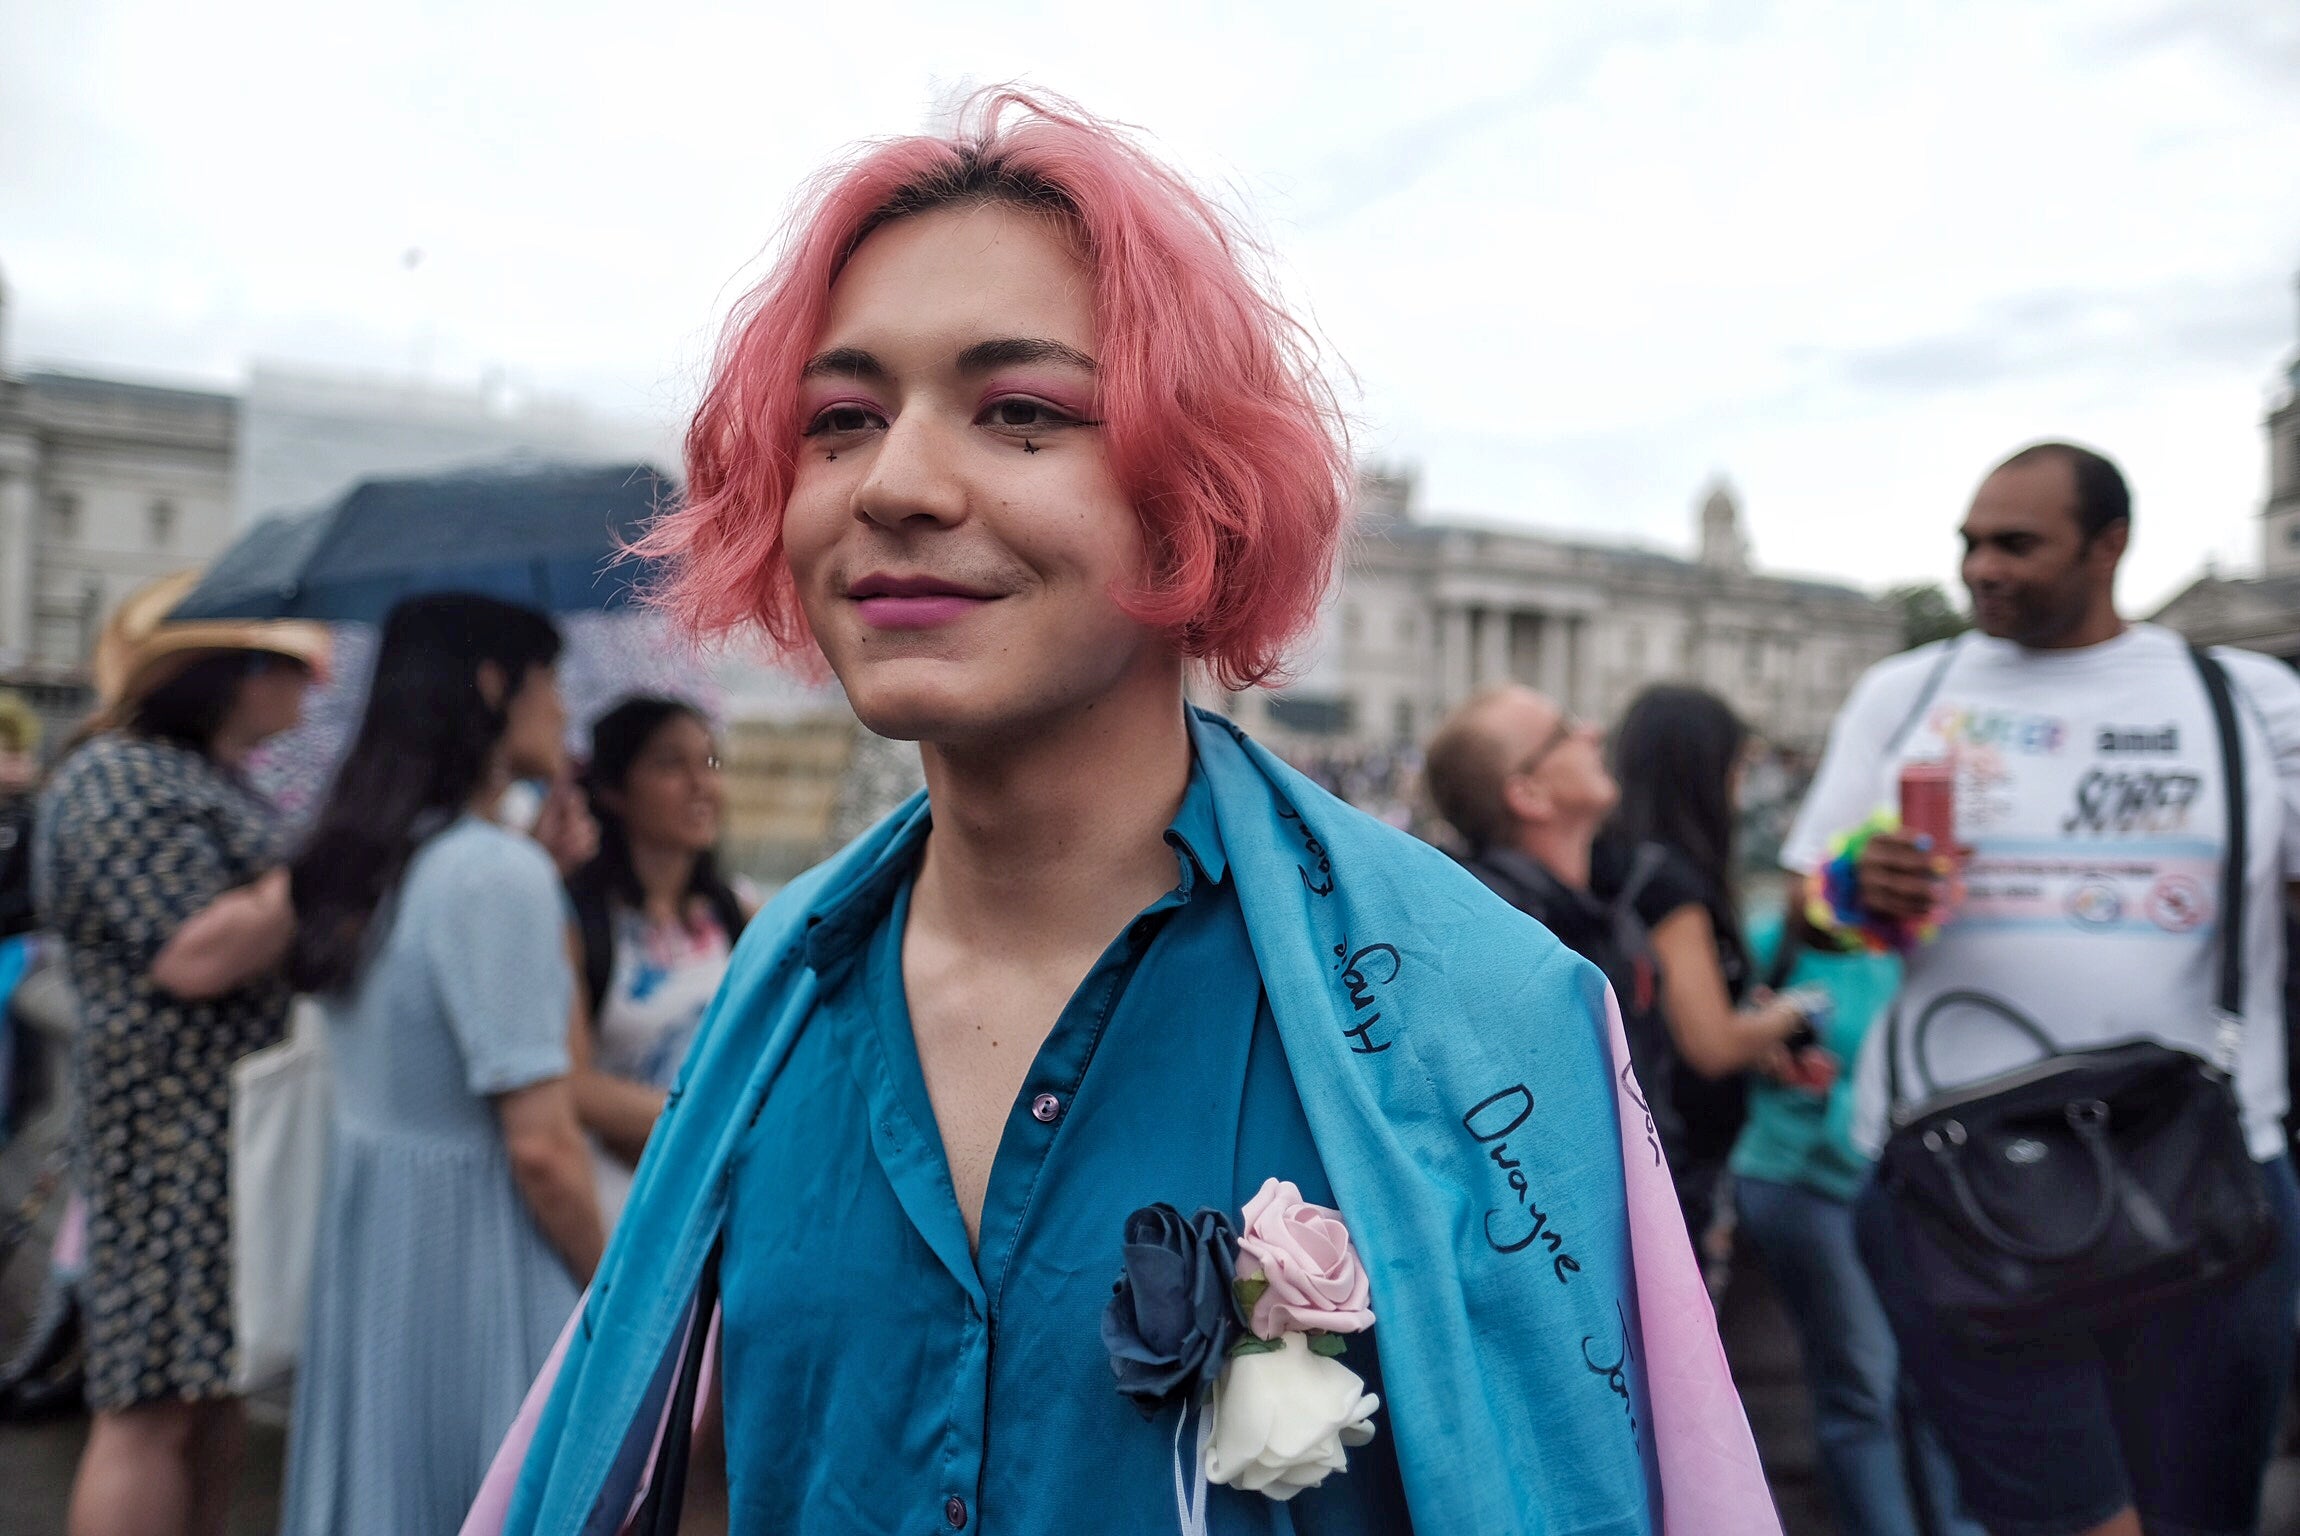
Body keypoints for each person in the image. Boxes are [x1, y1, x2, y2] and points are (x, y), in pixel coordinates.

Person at [480, 92, 1775, 1536]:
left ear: (1191, 490)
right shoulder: (772, 997)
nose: (895, 483)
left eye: (1021, 411)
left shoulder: (1489, 1011)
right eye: (839, 421)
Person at [1784, 441, 2300, 1536]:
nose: (1981, 568)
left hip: (2200, 1175)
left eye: (2015, 544)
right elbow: (1808, 918)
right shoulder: (1907, 691)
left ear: (2107, 545)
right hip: (1959, 1186)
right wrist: (1851, 888)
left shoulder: (2245, 700)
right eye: (1968, 544)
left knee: (2200, 1510)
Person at [280, 594, 602, 1536]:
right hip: (481, 1255)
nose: (565, 711)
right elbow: (543, 1148)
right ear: (495, 684)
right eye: (552, 684)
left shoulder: (377, 856)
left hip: (385, 1252)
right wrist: (628, 1299)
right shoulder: (492, 875)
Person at [33, 571, 327, 1536]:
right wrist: (331, 861)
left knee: (204, 1395)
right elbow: (193, 954)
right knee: (150, 1408)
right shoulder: (121, 774)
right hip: (168, 1132)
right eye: (282, 663)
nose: (304, 684)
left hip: (214, 1130)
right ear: (222, 673)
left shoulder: (190, 774)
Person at [1424, 684, 1820, 1238]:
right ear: (1530, 794)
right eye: (1564, 733)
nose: (1595, 732)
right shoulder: (1509, 939)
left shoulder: (1597, 909)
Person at [1730, 903, 1982, 1536]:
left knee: (1936, 1379)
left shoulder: (1916, 948)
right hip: (1803, 1182)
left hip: (1911, 1190)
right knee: (1864, 1379)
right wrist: (1765, 1043)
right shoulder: (1770, 942)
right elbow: (1717, 1041)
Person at [564, 696, 753, 1223]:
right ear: (612, 789)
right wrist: (714, 1114)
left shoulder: (739, 914)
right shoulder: (577, 919)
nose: (701, 784)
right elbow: (570, 1087)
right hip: (616, 1206)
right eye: (671, 763)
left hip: (717, 1203)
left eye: (711, 762)